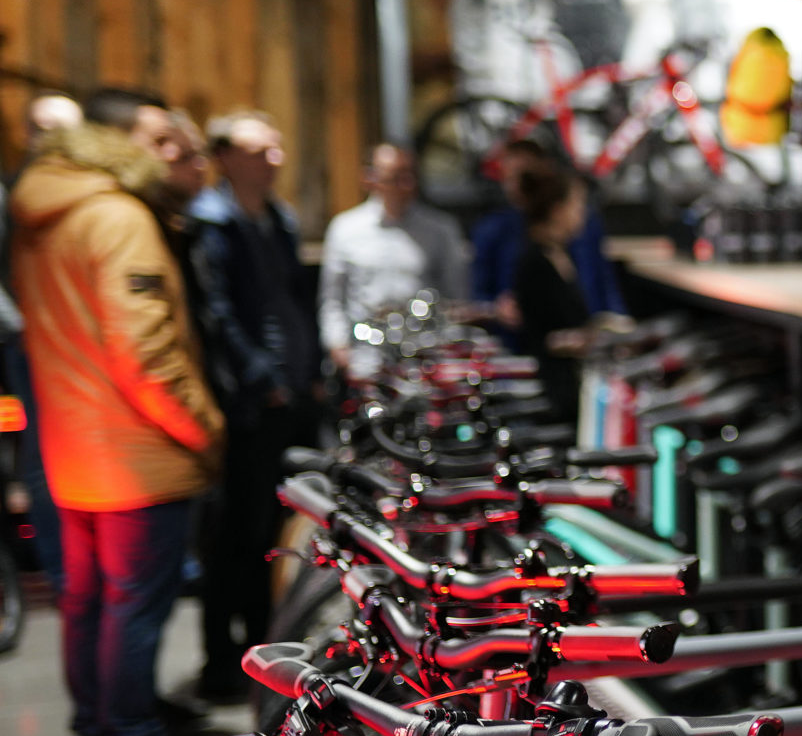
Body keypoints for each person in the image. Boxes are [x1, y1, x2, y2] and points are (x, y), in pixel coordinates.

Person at [12, 86, 227, 736]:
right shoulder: (117, 216)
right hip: (136, 453)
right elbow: (147, 354)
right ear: (115, 142)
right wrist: (206, 428)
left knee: (90, 604)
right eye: (155, 138)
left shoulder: (43, 212)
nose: (168, 153)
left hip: (73, 447)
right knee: (132, 608)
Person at [189, 109, 319, 701]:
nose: (275, 160)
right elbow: (218, 317)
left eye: (277, 148)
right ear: (225, 157)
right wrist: (259, 376)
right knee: (234, 535)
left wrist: (306, 371)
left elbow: (291, 301)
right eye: (260, 150)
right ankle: (224, 664)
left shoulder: (277, 218)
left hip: (286, 393)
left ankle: (266, 651)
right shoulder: (212, 224)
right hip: (247, 403)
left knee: (270, 531)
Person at [3, 92, 87, 594]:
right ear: (29, 135)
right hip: (33, 346)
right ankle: (61, 572)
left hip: (80, 348)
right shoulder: (15, 194)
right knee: (44, 458)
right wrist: (21, 327)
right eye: (48, 129)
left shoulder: (85, 192)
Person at [319, 143, 470, 369]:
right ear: (370, 179)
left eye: (410, 176)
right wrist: (337, 345)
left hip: (424, 355)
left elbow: (457, 296)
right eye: (395, 177)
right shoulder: (345, 229)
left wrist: (451, 346)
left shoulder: (440, 230)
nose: (405, 185)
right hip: (365, 355)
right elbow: (333, 298)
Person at [468, 138, 625, 344]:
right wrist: (496, 309)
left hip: (589, 337)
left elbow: (602, 280)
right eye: (509, 177)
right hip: (523, 343)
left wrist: (617, 323)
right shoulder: (500, 234)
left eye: (525, 175)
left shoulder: (580, 232)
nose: (517, 186)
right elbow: (480, 293)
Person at [511, 163, 594, 422]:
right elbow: (541, 334)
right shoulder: (534, 262)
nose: (583, 213)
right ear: (558, 211)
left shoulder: (562, 255)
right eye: (577, 205)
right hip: (554, 388)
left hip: (574, 381)